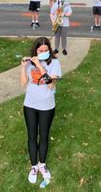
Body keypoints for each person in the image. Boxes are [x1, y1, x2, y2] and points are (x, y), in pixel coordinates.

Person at [20, 37, 61, 185]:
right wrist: (24, 67)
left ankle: (42, 164)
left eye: (46, 50)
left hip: (47, 106)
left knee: (43, 136)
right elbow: (23, 84)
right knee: (32, 136)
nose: (44, 52)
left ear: (49, 50)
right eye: (40, 50)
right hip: (30, 104)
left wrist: (40, 65)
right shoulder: (31, 63)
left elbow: (50, 84)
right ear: (35, 50)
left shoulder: (54, 63)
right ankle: (33, 167)